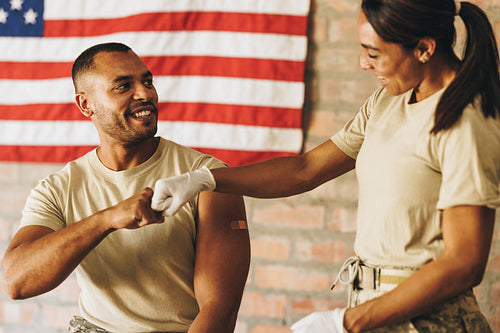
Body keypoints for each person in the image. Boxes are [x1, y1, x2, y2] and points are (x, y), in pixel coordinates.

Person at [150, 0, 500, 332]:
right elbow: (306, 169)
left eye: (373, 52)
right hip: (375, 309)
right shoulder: (388, 100)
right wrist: (206, 179)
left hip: (430, 320)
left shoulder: (466, 121)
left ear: (424, 48)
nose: (364, 63)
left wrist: (346, 323)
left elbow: (464, 263)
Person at [2, 42, 251, 333]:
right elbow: (16, 282)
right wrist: (106, 220)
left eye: (147, 81)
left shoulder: (206, 177)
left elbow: (219, 309)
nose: (145, 93)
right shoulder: (58, 188)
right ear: (86, 104)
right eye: (123, 86)